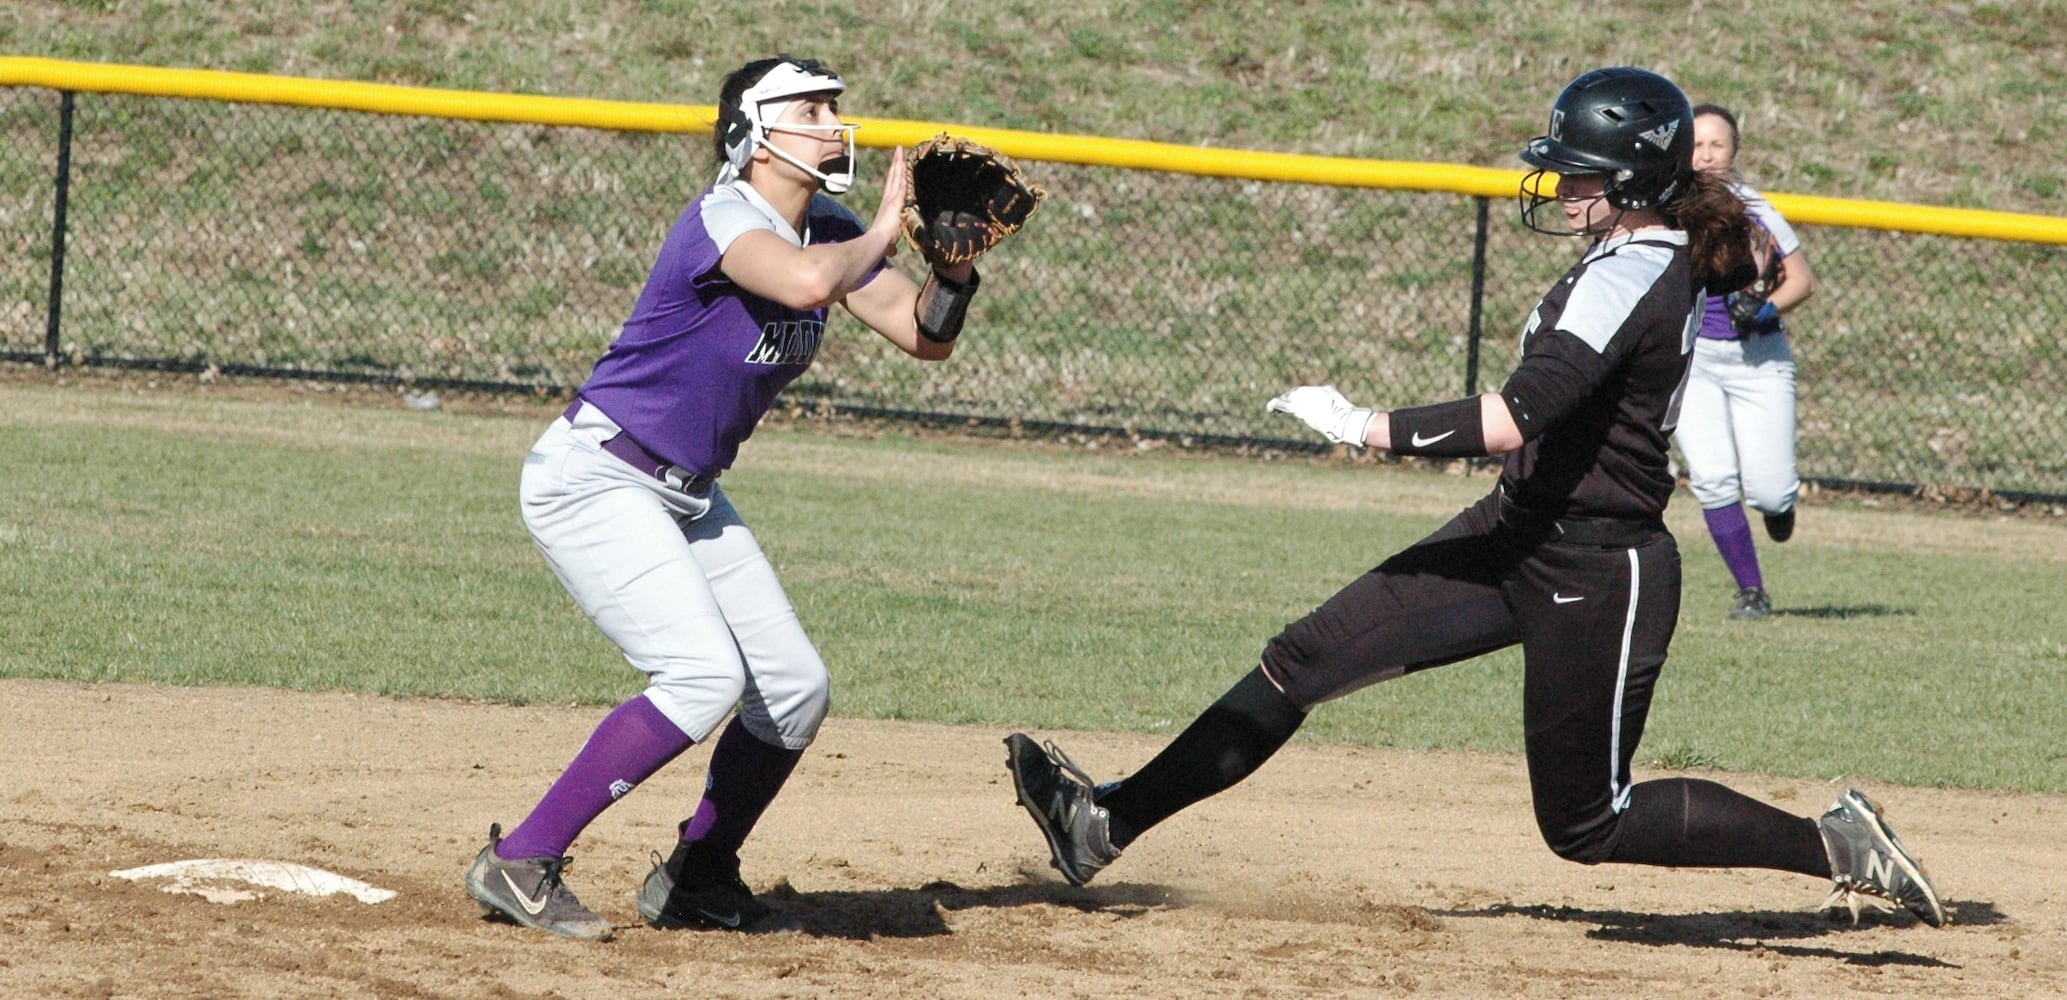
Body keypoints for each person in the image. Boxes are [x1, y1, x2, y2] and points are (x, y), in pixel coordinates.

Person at [1004, 67, 1945, 929]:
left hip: (1598, 563)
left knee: (1585, 823)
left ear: (1634, 183)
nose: (1562, 187)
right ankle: (1103, 823)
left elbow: (1513, 419)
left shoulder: (1632, 270)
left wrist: (1363, 424)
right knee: (1302, 661)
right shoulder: (1645, 253)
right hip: (1513, 532)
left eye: (1582, 173)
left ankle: (1833, 844)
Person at [466, 55, 991, 940]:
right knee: (703, 674)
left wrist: (954, 274)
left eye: (834, 106)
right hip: (598, 477)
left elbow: (920, 334)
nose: (833, 122)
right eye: (812, 108)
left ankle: (697, 877)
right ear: (754, 132)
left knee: (793, 692)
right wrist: (889, 224)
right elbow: (806, 283)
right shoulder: (724, 217)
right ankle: (520, 857)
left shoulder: (826, 221)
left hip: (688, 494)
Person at [1677, 103, 1818, 620]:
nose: (1707, 155)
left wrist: (1762, 309)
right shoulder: (1669, 208)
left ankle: (1780, 507)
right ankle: (1751, 592)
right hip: (1696, 360)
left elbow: (1801, 279)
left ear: (1735, 150)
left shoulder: (1755, 209)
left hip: (1758, 360)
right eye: (1696, 144)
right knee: (1712, 477)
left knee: (1770, 489)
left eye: (1718, 144)